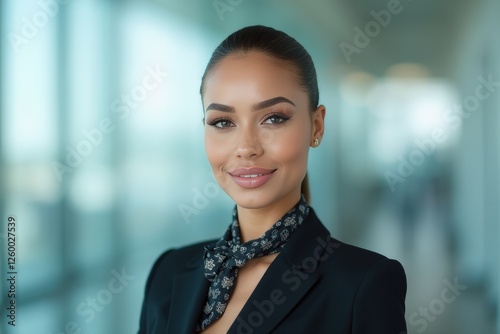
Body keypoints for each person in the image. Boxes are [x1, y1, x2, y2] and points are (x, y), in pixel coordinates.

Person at [138, 25, 407, 334]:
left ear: (316, 126)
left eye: (274, 118)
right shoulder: (168, 273)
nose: (246, 148)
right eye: (223, 122)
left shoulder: (362, 284)